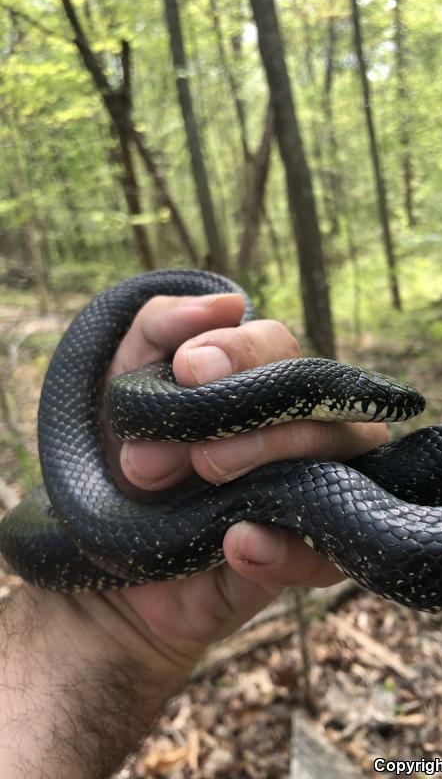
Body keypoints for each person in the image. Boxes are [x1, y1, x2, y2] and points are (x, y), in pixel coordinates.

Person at [0, 292, 388, 778]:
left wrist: (113, 634)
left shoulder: (300, 394)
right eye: (385, 405)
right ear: (335, 398)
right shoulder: (135, 394)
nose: (391, 414)